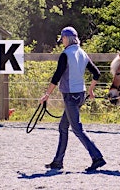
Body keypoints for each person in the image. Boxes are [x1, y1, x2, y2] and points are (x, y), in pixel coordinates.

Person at [40, 26, 106, 172]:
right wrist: (91, 90)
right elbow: (96, 73)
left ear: (66, 38)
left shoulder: (65, 55)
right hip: (81, 95)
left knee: (77, 129)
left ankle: (97, 158)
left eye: (62, 39)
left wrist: (47, 94)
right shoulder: (83, 53)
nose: (62, 42)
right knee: (63, 127)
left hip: (70, 96)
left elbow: (57, 76)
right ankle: (58, 162)